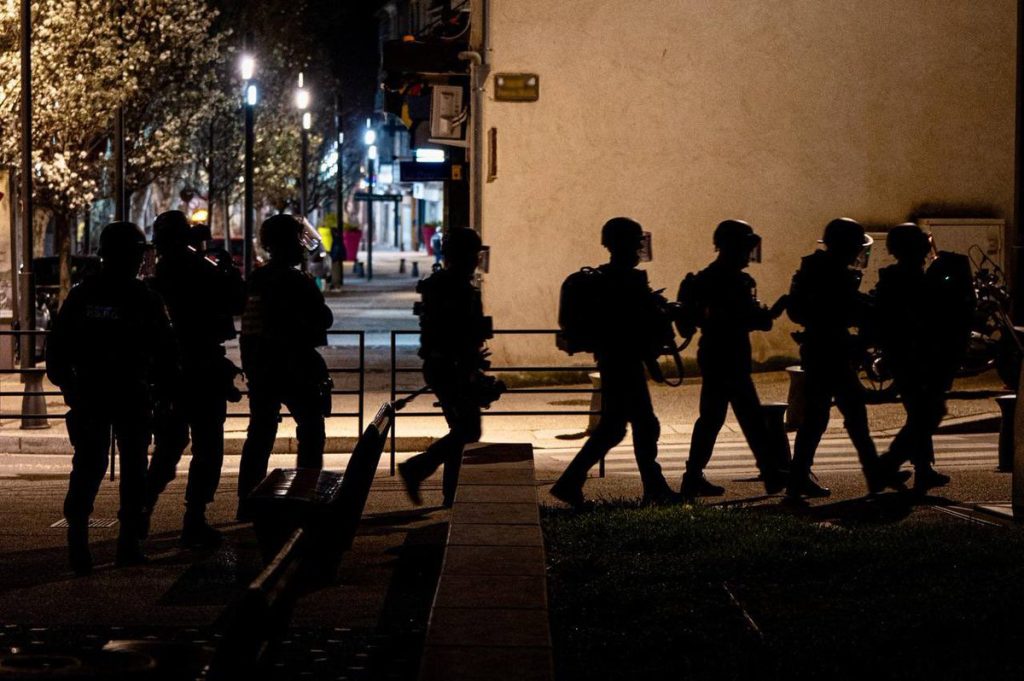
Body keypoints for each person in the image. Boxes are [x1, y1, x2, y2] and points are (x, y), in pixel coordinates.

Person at [47, 222, 178, 575]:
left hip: (96, 394)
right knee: (129, 467)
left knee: (90, 466)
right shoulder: (143, 298)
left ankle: (82, 545)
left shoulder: (82, 295)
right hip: (128, 394)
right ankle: (126, 544)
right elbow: (165, 352)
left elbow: (56, 351)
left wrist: (70, 389)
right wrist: (164, 393)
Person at [550, 217, 678, 507]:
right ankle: (653, 489)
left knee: (616, 427)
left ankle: (571, 482)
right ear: (622, 244)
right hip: (623, 361)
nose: (638, 248)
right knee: (640, 425)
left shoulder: (608, 279)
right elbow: (636, 323)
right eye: (634, 242)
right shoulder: (624, 281)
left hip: (615, 360)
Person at [785, 217, 909, 499]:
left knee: (831, 416)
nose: (858, 252)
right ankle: (870, 474)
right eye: (855, 246)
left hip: (823, 349)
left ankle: (803, 479)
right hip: (829, 351)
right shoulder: (832, 273)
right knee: (836, 415)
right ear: (846, 245)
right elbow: (845, 309)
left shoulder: (817, 268)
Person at [143, 211, 245, 547]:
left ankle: (141, 512)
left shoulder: (159, 271)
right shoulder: (195, 266)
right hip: (199, 368)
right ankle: (193, 517)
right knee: (207, 447)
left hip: (170, 371)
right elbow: (234, 299)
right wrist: (227, 269)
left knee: (170, 447)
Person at [676, 220, 789, 499]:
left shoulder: (707, 278)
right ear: (732, 247)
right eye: (744, 247)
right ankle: (770, 473)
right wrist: (772, 313)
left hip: (717, 352)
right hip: (727, 354)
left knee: (713, 418)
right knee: (746, 416)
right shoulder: (731, 281)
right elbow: (750, 319)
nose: (748, 254)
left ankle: (693, 477)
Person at [236, 214, 334, 519]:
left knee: (260, 434)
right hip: (295, 367)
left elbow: (249, 330)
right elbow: (322, 318)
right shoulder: (294, 280)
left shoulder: (257, 279)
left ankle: (248, 500)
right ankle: (304, 494)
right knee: (311, 429)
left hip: (263, 368)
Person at [398, 227, 503, 507]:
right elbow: (453, 331)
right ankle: (417, 468)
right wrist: (467, 361)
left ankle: (450, 494)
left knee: (462, 429)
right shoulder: (453, 287)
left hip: (449, 365)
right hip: (450, 366)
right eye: (473, 254)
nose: (476, 260)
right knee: (468, 431)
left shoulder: (446, 284)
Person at [874, 224, 957, 491]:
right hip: (914, 356)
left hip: (907, 356)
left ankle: (923, 469)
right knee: (928, 413)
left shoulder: (902, 276)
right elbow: (923, 318)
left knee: (920, 413)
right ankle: (888, 465)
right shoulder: (909, 279)